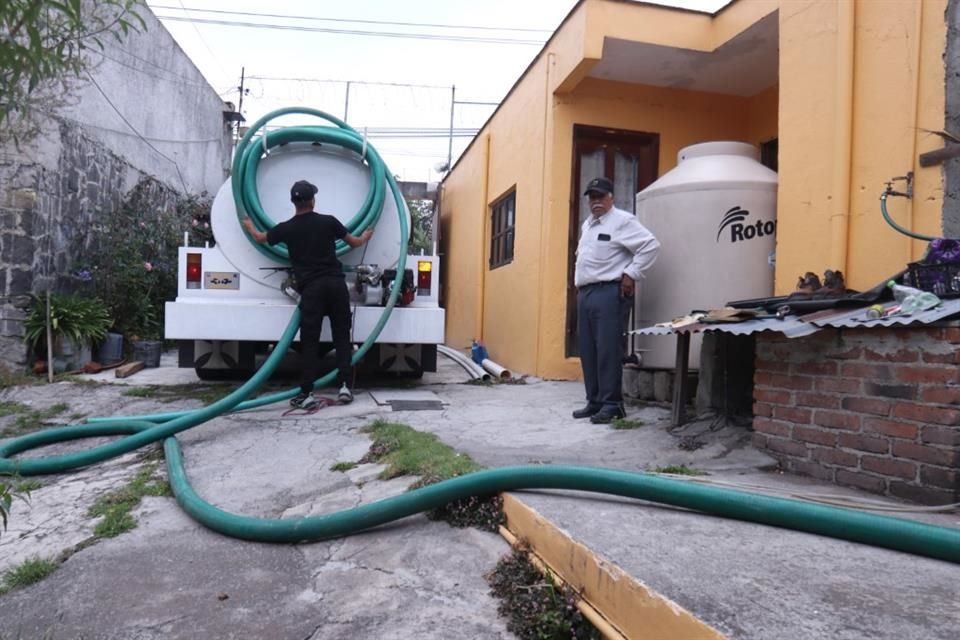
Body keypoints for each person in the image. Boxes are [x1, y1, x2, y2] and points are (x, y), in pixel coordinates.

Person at [243, 179, 373, 410]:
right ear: (313, 200)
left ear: (294, 202)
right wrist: (366, 236)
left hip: (311, 289)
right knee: (342, 337)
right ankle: (344, 387)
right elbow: (354, 242)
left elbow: (260, 238)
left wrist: (249, 225)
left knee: (310, 342)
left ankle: (307, 393)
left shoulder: (287, 227)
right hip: (335, 285)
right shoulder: (328, 222)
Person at [573, 176, 660, 424]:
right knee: (588, 350)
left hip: (609, 292)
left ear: (611, 197)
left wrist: (631, 273)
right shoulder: (588, 225)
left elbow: (650, 245)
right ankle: (595, 401)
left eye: (601, 196)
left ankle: (613, 405)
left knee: (608, 350)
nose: (596, 201)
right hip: (586, 292)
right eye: (592, 197)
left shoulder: (622, 221)